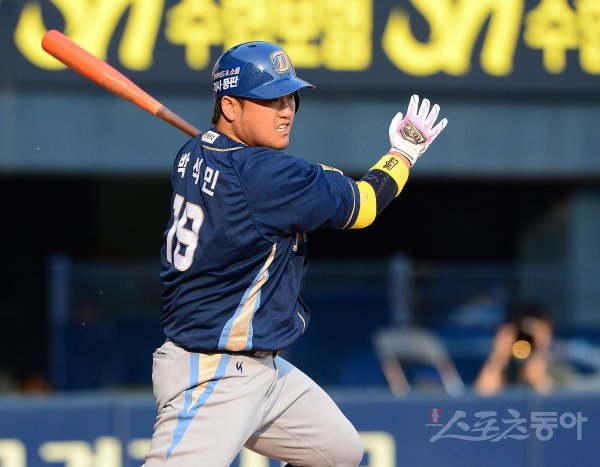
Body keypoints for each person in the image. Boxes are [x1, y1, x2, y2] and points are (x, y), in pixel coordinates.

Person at [143, 41, 447, 467]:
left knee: (339, 452)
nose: (286, 110)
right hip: (212, 372)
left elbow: (253, 177)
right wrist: (403, 154)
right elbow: (363, 205)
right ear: (229, 107)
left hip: (261, 370)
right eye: (270, 100)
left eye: (290, 98)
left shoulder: (192, 153)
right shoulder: (266, 175)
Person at [474, 303, 555, 396]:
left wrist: (539, 379)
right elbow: (483, 397)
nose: (529, 338)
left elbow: (559, 402)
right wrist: (499, 357)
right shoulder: (507, 369)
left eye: (538, 330)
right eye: (524, 332)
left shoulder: (560, 370)